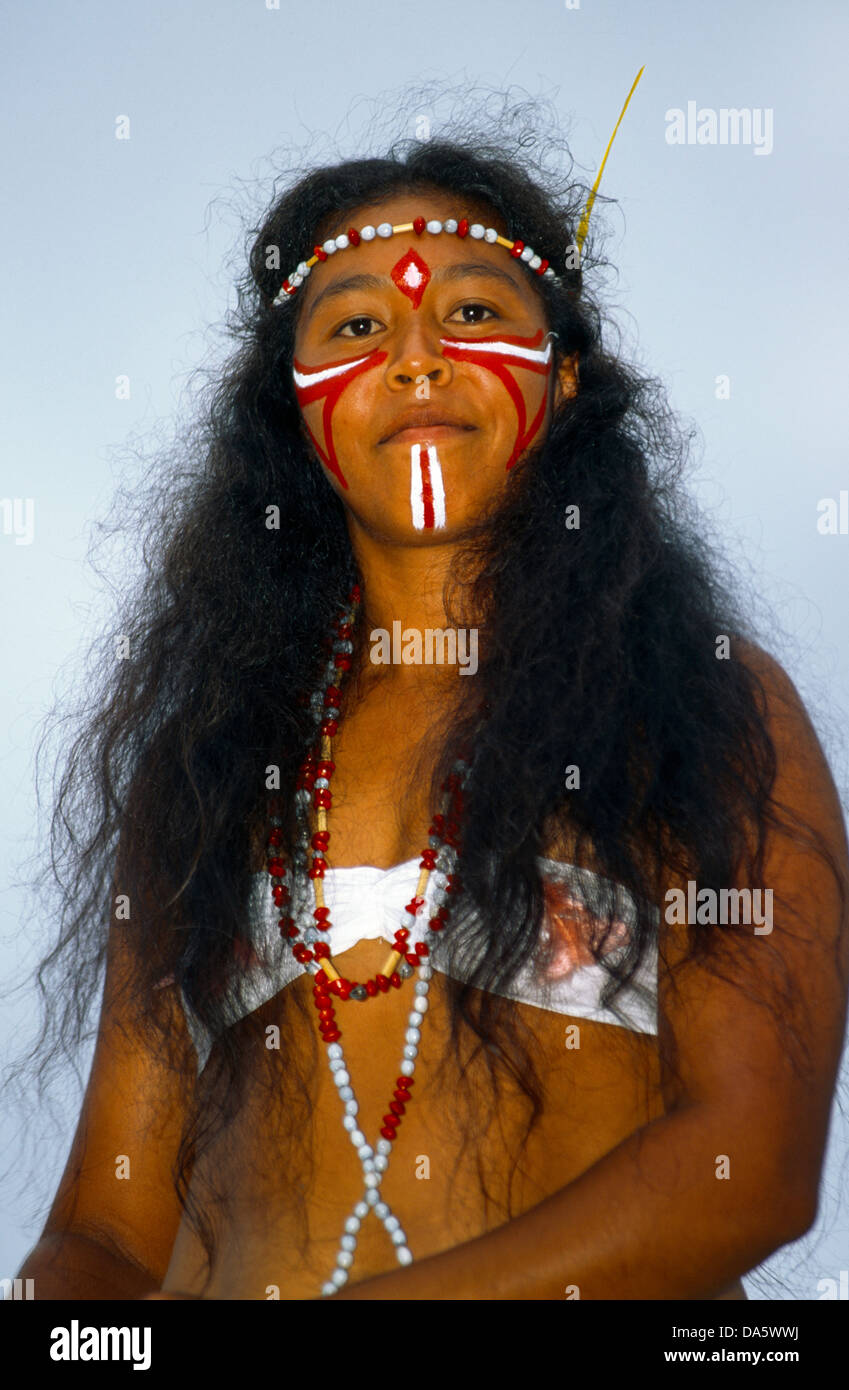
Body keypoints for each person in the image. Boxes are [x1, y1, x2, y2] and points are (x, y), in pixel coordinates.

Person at [11, 122, 849, 1302]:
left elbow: (750, 1163)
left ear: (560, 382)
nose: (415, 359)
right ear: (295, 420)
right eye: (356, 325)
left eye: (470, 314)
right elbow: (102, 1232)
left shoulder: (694, 702)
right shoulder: (205, 778)